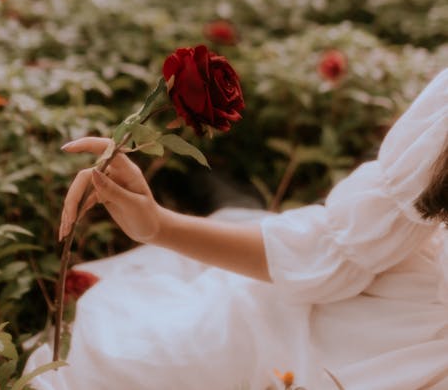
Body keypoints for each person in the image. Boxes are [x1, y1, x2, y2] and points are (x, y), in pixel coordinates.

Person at [26, 68, 448, 390]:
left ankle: (231, 198)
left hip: (409, 359)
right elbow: (331, 251)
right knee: (138, 359)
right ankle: (224, 195)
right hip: (365, 327)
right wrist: (158, 225)